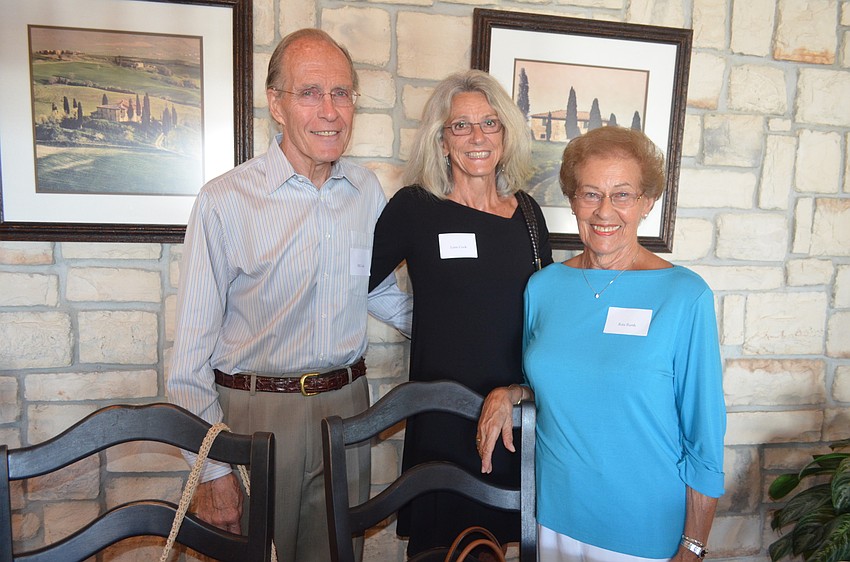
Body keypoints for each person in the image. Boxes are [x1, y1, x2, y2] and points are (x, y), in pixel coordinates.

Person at [167, 28, 411, 562]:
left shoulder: (366, 192)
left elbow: (383, 295)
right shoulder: (224, 201)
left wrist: (468, 315)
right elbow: (187, 363)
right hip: (253, 421)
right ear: (276, 104)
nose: (330, 110)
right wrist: (212, 470)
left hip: (347, 416)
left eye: (342, 93)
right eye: (310, 93)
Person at [477, 126, 726, 561]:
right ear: (572, 200)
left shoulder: (685, 295)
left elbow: (704, 435)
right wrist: (511, 392)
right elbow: (556, 382)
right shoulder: (544, 286)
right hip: (553, 517)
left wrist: (694, 544)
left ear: (647, 203)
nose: (604, 211)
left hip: (643, 528)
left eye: (623, 195)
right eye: (590, 194)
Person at [368, 69, 553, 557]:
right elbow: (354, 284)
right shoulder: (416, 208)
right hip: (443, 415)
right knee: (443, 548)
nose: (477, 137)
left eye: (490, 123)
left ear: (506, 133)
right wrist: (425, 322)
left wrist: (524, 393)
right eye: (461, 126)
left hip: (514, 413)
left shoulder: (529, 214)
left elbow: (549, 312)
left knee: (512, 541)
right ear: (441, 139)